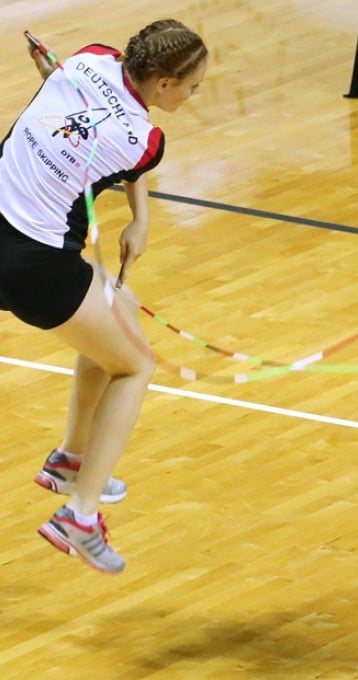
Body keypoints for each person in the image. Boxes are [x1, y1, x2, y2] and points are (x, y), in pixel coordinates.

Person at [0, 20, 208, 573]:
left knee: (116, 305)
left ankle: (71, 458)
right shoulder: (146, 140)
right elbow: (129, 148)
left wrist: (140, 219)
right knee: (136, 364)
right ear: (163, 83)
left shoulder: (88, 58)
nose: (194, 94)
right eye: (191, 86)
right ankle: (80, 514)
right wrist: (139, 216)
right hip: (33, 262)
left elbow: (101, 130)